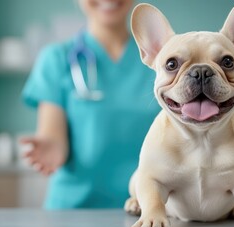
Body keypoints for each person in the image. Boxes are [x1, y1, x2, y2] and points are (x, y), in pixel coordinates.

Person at [21, 0, 159, 209]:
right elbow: (52, 135)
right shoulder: (56, 59)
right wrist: (52, 148)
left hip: (148, 210)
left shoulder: (163, 62)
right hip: (72, 213)